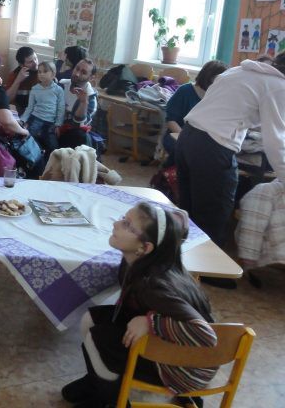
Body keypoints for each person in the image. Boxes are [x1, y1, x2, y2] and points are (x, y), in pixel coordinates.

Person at [61, 203, 217, 408]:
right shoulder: (139, 261)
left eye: (127, 225)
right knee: (90, 320)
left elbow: (206, 336)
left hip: (184, 366)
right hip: (170, 341)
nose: (116, 224)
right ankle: (97, 383)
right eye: (122, 218)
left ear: (144, 247)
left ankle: (112, 400)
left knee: (98, 340)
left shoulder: (154, 285)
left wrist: (150, 323)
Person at [176, 53, 285, 280]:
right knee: (215, 210)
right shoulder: (276, 85)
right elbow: (276, 139)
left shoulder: (240, 70)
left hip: (188, 137)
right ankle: (208, 273)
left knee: (192, 206)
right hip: (213, 145)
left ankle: (181, 264)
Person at [160, 60, 227, 166]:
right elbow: (171, 120)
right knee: (190, 152)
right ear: (209, 77)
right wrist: (185, 139)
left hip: (203, 139)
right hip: (177, 134)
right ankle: (170, 171)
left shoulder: (217, 96)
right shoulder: (185, 91)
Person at [20, 60, 64, 152]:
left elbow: (61, 108)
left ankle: (47, 157)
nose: (41, 74)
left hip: (50, 123)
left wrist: (58, 124)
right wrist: (23, 120)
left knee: (53, 147)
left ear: (53, 74)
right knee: (28, 142)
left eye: (45, 71)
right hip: (35, 119)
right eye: (39, 72)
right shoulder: (34, 89)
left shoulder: (59, 90)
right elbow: (30, 107)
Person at [58, 59, 98, 149]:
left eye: (83, 72)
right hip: (53, 127)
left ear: (91, 78)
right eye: (77, 69)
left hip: (71, 134)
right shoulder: (61, 84)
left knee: (80, 135)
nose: (77, 74)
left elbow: (78, 126)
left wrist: (83, 103)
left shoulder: (91, 99)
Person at [4, 46, 39, 114]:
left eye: (36, 58)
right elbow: (7, 99)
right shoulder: (14, 75)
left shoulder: (42, 72)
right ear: (21, 65)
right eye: (30, 62)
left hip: (36, 109)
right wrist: (18, 80)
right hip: (20, 108)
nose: (35, 63)